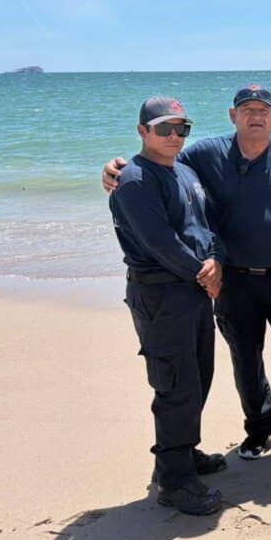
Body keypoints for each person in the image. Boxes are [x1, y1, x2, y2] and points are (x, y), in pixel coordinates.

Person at [102, 85, 271, 461]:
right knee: (245, 360)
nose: (255, 116)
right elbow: (158, 168)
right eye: (247, 109)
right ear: (233, 116)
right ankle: (258, 430)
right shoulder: (202, 153)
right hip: (231, 280)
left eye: (263, 110)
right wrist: (113, 170)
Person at [109, 97, 225, 515]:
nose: (174, 136)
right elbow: (160, 243)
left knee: (199, 374)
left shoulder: (185, 171)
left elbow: (204, 227)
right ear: (142, 131)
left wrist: (216, 261)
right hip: (160, 293)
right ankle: (175, 483)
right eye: (164, 129)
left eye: (182, 129)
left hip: (192, 288)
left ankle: (180, 454)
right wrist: (204, 273)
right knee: (175, 383)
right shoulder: (136, 180)